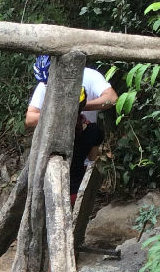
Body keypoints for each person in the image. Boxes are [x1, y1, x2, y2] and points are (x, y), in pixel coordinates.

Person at [25, 55, 117, 201]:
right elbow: (30, 119)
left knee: (92, 137)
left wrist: (79, 106)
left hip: (82, 140)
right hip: (55, 144)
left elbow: (111, 99)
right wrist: (58, 113)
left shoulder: (89, 76)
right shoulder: (46, 83)